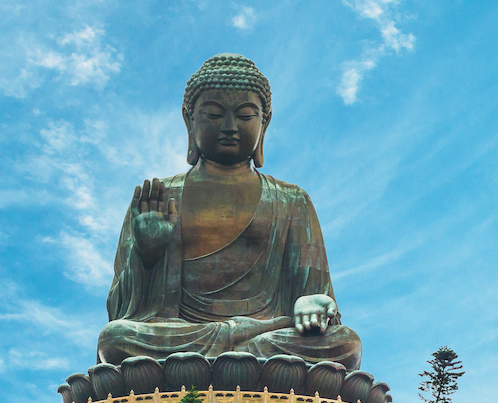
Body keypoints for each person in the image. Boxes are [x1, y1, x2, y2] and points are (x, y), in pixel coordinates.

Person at [96, 54, 362, 370]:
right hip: (186, 336)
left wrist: (313, 304)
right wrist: (147, 257)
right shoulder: (158, 198)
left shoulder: (293, 201)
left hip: (267, 335)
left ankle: (227, 360)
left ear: (265, 122)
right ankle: (233, 361)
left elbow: (316, 302)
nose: (229, 127)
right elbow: (120, 311)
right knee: (114, 339)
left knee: (346, 344)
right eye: (213, 114)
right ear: (189, 119)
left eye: (246, 115)